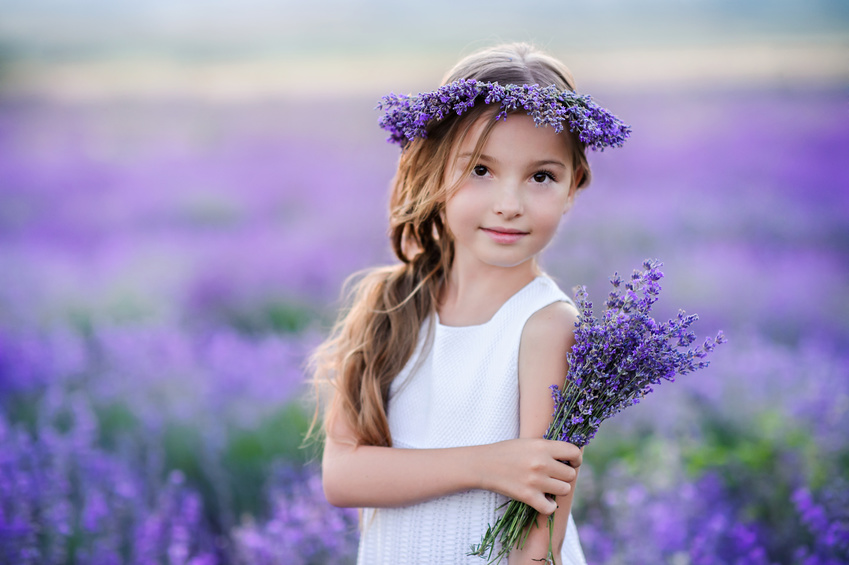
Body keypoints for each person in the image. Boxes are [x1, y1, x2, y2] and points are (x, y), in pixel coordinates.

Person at [310, 42, 629, 565]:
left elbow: (537, 542)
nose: (509, 204)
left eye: (541, 176)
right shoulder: (389, 304)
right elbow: (342, 475)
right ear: (436, 174)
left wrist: (500, 468)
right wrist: (487, 465)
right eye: (480, 170)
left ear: (573, 188)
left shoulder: (546, 325)